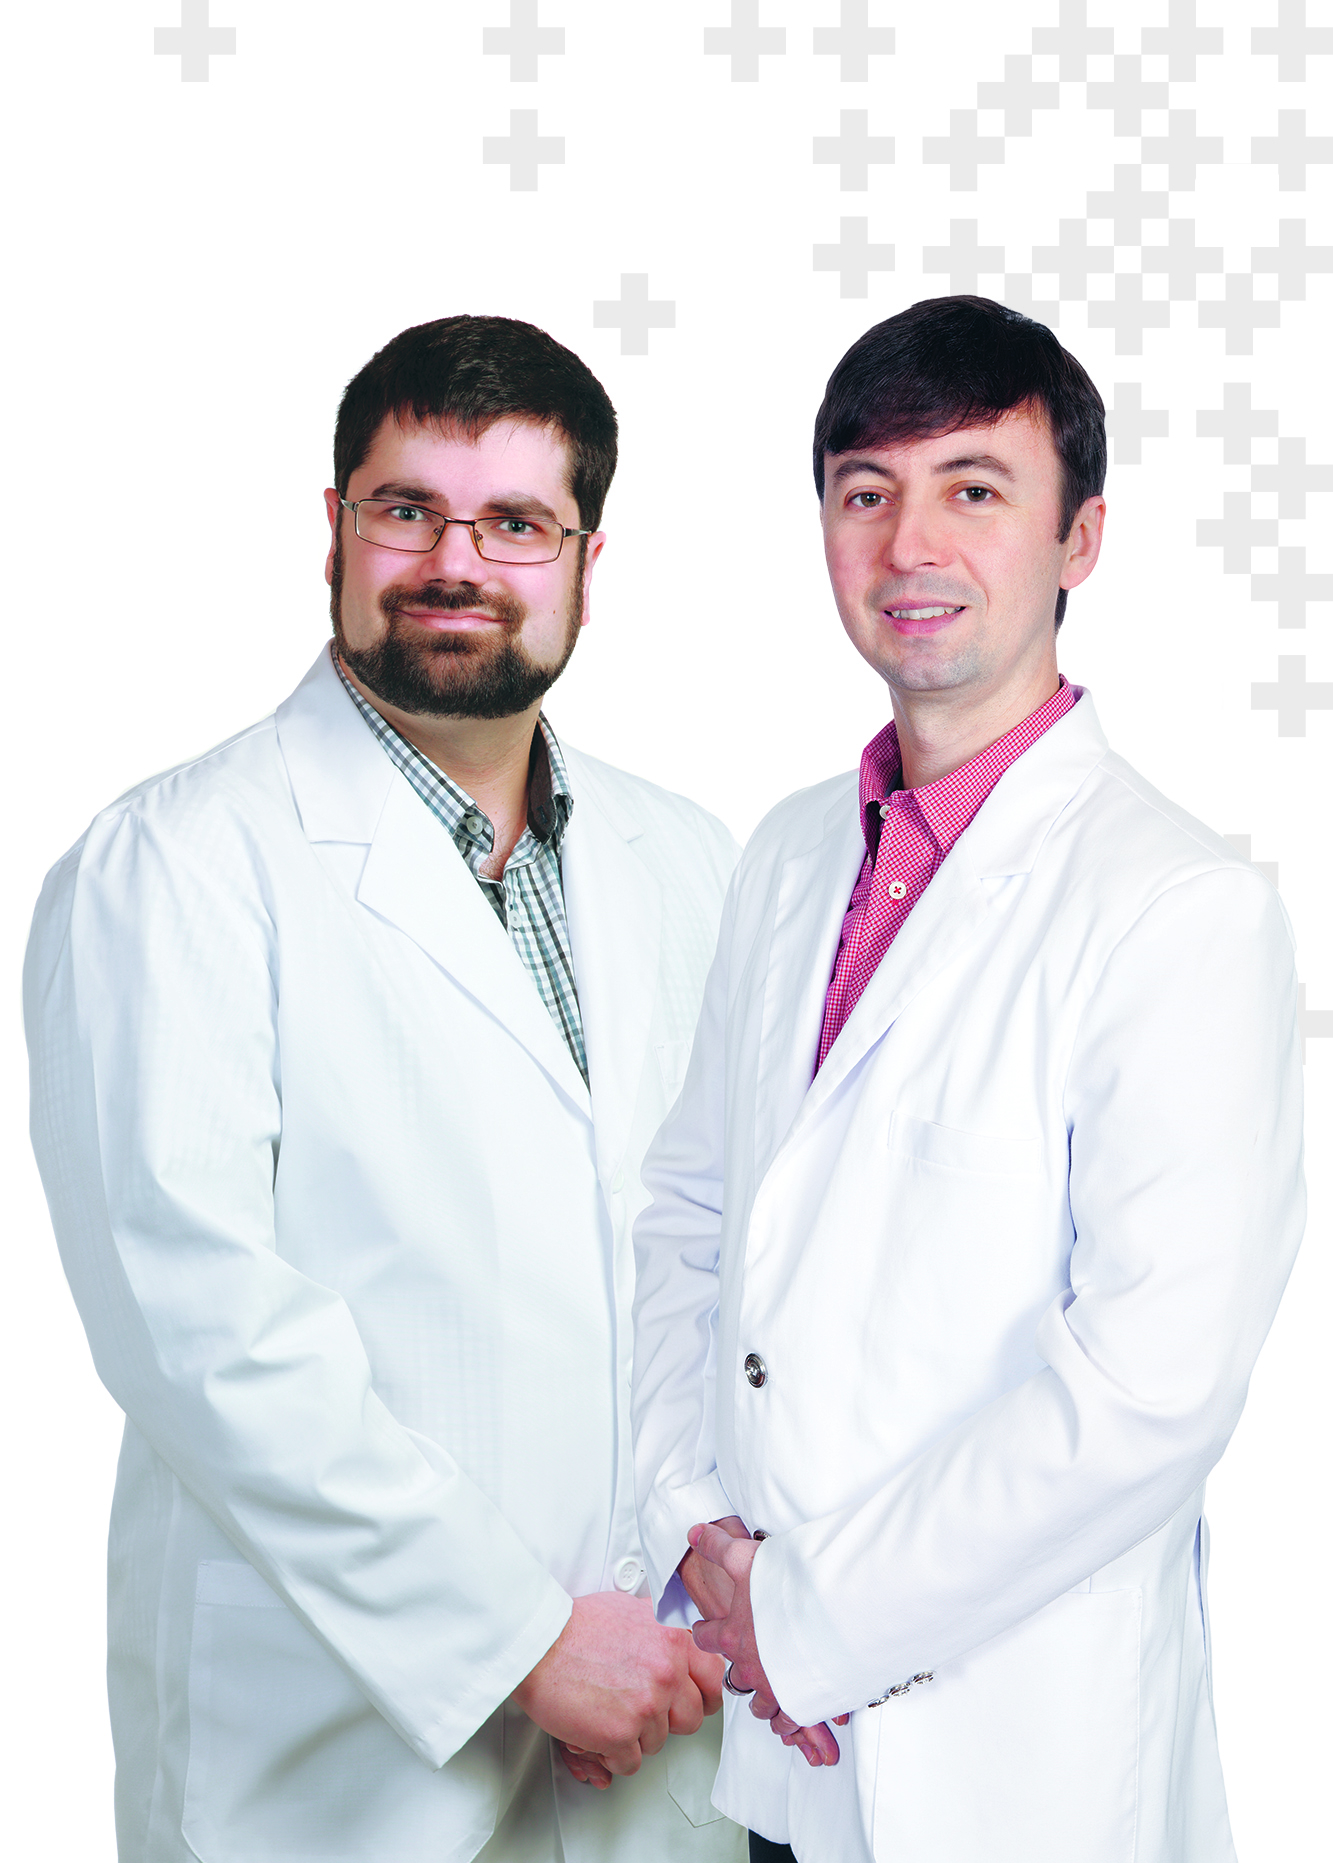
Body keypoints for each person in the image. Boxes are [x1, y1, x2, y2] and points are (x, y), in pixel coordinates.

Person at [25, 315, 746, 1863]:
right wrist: (521, 1639)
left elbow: (736, 1266)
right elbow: (203, 1331)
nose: (455, 563)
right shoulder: (173, 866)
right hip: (337, 1772)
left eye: (517, 523)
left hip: (666, 1728)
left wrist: (713, 1578)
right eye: (408, 508)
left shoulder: (691, 861)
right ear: (336, 529)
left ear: (587, 562)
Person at [630, 295, 1305, 1863]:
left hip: (1014, 1770)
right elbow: (688, 1218)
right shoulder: (791, 856)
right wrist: (694, 1528)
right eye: (866, 491)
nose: (909, 543)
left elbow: (1149, 1387)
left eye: (974, 488)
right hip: (781, 1753)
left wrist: (805, 1614)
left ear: (1081, 539)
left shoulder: (1178, 907)